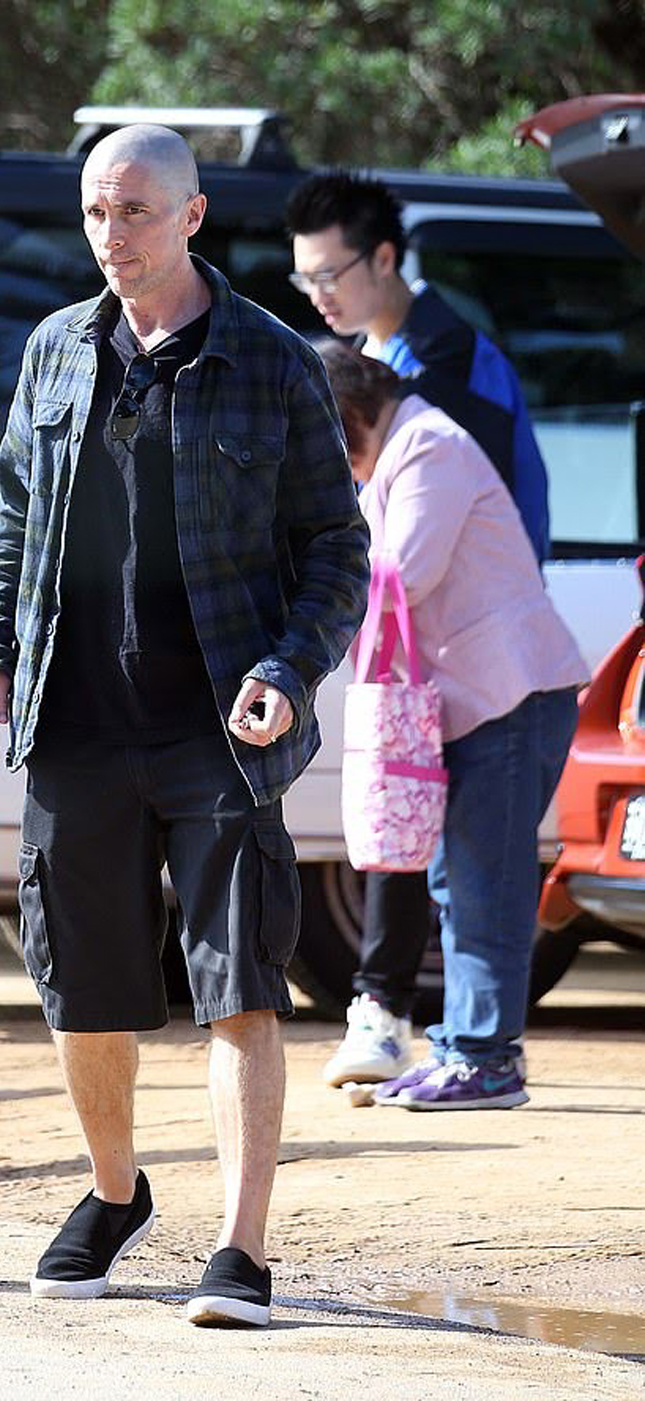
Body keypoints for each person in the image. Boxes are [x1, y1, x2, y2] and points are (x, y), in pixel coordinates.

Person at [0, 124, 370, 1324]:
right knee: (82, 985)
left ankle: (239, 1249)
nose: (110, 234)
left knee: (239, 983)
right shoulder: (55, 350)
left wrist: (290, 670)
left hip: (219, 730)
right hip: (74, 720)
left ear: (192, 216)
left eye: (134, 211)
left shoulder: (272, 359)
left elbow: (336, 548)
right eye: (95, 211)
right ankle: (113, 1191)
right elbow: (14, 522)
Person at [286, 169, 553, 1087]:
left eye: (330, 275)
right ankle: (432, 1032)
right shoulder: (368, 362)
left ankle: (420, 1026)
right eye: (305, 280)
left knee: (467, 869)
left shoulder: (443, 369)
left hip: (477, 654)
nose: (319, 296)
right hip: (437, 653)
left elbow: (430, 550)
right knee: (424, 839)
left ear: (384, 258)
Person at [317, 340, 587, 1109]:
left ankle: (486, 1059)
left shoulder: (429, 445)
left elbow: (402, 572)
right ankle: (466, 1049)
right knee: (458, 880)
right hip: (482, 701)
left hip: (510, 696)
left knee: (483, 882)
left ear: (347, 415)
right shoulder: (405, 447)